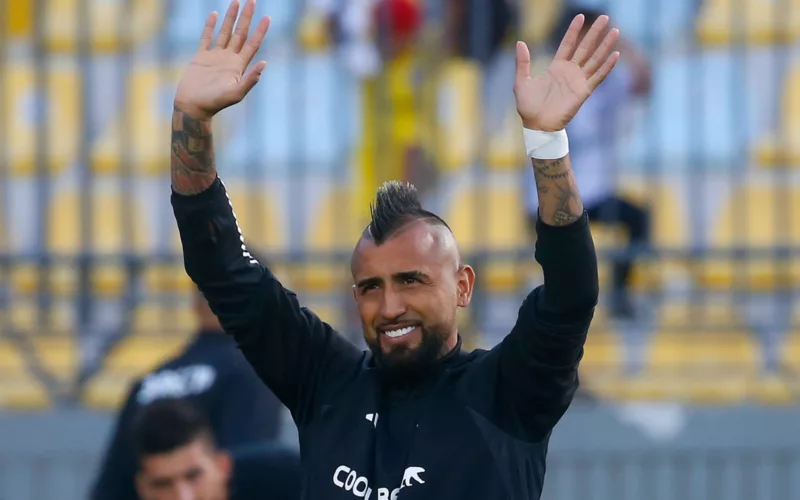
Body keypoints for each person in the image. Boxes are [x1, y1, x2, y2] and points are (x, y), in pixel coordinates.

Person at [169, 0, 617, 497]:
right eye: (370, 287)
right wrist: (193, 120)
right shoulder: (325, 382)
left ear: (462, 285)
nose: (390, 306)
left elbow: (571, 292)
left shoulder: (509, 392)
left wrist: (546, 140)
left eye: (411, 280)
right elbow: (222, 268)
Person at [90, 289, 286, 500]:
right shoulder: (253, 371)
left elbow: (109, 489)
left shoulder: (148, 382)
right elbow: (250, 479)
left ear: (194, 305)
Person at [525, 5, 652, 319]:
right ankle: (564, 302)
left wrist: (622, 44)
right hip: (554, 192)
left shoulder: (606, 80)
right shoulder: (552, 77)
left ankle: (619, 293)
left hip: (592, 191)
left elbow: (643, 82)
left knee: (638, 219)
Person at [133, 398, 301, 500]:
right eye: (164, 484)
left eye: (193, 476)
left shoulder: (290, 479)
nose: (184, 496)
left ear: (223, 465)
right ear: (143, 488)